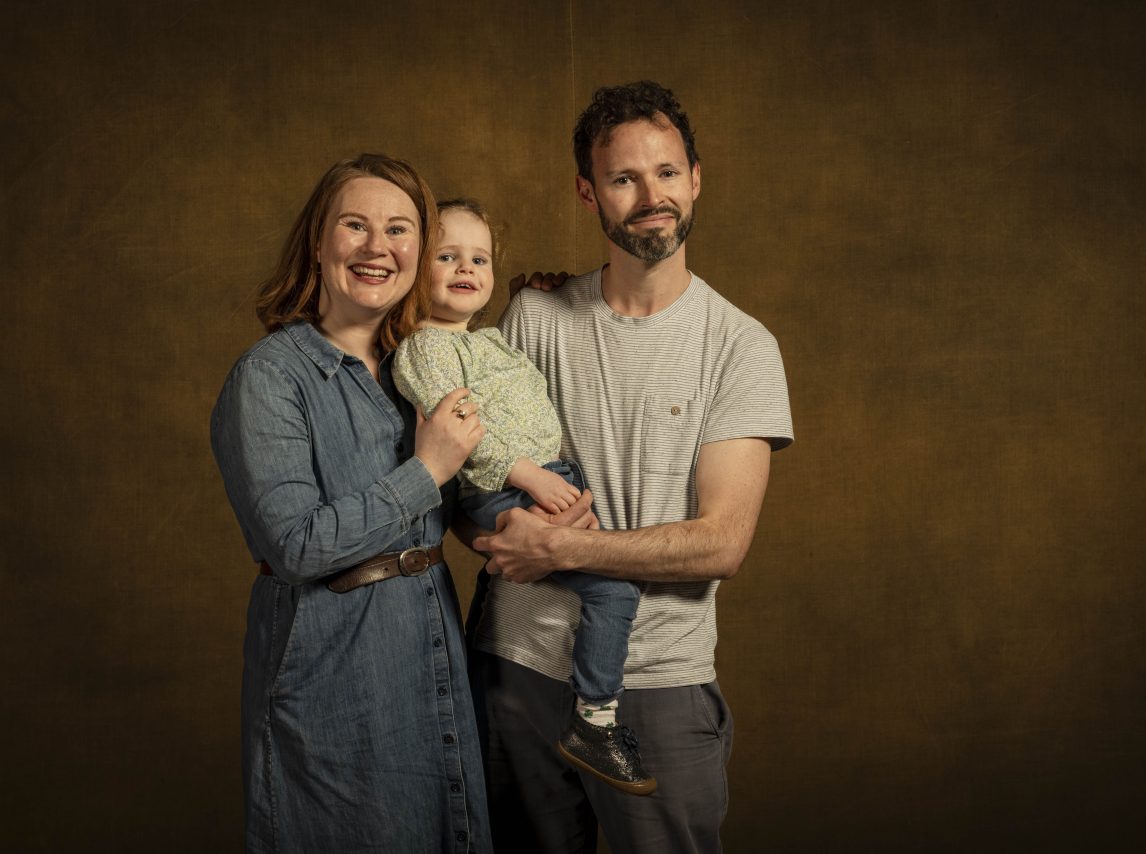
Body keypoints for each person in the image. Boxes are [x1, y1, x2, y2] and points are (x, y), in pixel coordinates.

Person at [468, 82, 795, 854]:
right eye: (624, 178)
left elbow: (722, 543)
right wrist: (495, 530)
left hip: (657, 687)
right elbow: (473, 473)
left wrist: (563, 547)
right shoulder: (535, 316)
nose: (652, 197)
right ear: (589, 193)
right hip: (516, 673)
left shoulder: (740, 347)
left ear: (696, 179)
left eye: (668, 172)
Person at [210, 154, 512, 853]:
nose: (378, 247)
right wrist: (426, 468)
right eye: (355, 225)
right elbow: (296, 545)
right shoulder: (270, 378)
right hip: (333, 663)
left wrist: (540, 296)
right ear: (318, 244)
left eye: (399, 229)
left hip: (431, 643)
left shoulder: (419, 366)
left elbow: (464, 483)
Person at [392, 199, 655, 796]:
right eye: (447, 256)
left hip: (544, 474)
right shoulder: (426, 348)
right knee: (614, 589)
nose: (466, 268)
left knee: (610, 578)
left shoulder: (486, 341)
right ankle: (595, 718)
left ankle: (593, 709)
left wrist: (526, 297)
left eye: (479, 259)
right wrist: (532, 477)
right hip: (501, 485)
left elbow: (514, 394)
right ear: (414, 268)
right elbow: (458, 432)